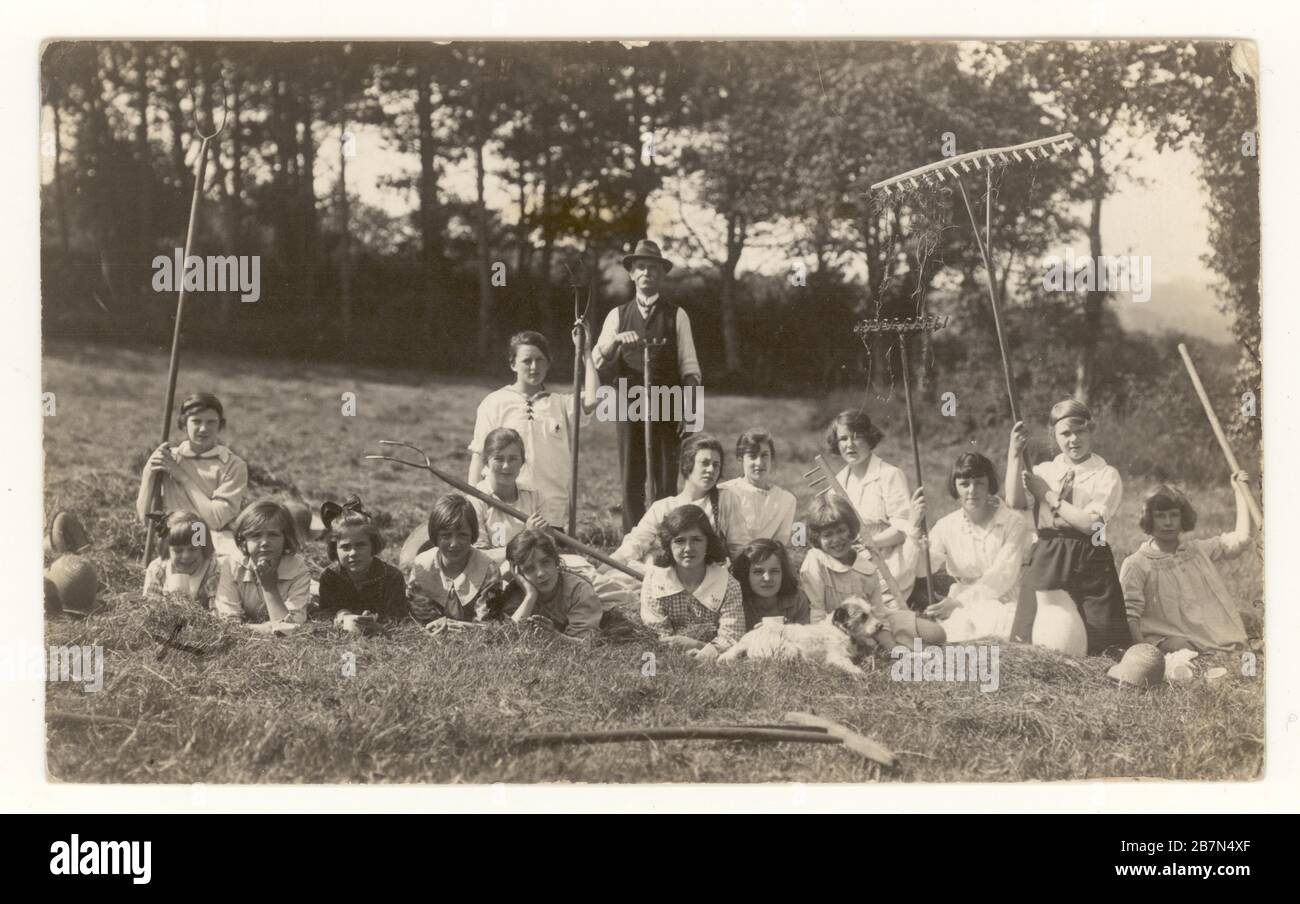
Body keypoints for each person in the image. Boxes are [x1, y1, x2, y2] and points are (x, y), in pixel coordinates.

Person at [592, 239, 703, 531]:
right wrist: (616, 342)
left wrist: (689, 411)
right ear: (631, 273)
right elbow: (597, 361)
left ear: (661, 274)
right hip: (628, 403)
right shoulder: (617, 315)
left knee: (665, 480)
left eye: (652, 268)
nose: (646, 273)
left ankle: (665, 542)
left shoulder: (677, 315)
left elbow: (690, 367)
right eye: (640, 267)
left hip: (668, 404)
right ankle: (632, 545)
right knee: (631, 478)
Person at [1006, 400, 1132, 656]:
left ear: (1091, 431)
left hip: (1090, 557)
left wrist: (1049, 496)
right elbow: (1014, 501)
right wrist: (1015, 454)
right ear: (1054, 436)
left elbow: (1092, 525)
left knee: (1104, 645)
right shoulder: (1044, 470)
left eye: (1080, 431)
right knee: (1029, 640)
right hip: (1048, 554)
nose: (1073, 440)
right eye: (1065, 433)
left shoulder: (1105, 474)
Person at [467, 329, 598, 527]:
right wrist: (473, 506)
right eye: (527, 361)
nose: (534, 367)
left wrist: (586, 351)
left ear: (548, 364)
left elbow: (593, 398)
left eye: (540, 360)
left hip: (550, 511)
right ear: (513, 364)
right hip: (505, 510)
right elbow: (478, 456)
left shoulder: (560, 403)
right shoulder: (494, 402)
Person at [1119, 473, 1254, 653]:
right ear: (1149, 519)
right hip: (1167, 636)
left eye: (1174, 515)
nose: (1168, 523)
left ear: (1183, 518)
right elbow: (1130, 615)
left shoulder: (1197, 551)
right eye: (1160, 516)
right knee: (1180, 647)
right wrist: (1141, 651)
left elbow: (1241, 539)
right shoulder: (1137, 564)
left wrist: (1240, 492)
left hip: (1205, 633)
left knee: (1239, 649)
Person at [799, 493, 944, 650]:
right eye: (828, 535)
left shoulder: (866, 565)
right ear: (817, 538)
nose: (837, 540)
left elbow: (880, 614)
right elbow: (817, 610)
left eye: (841, 531)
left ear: (851, 530)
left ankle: (895, 643)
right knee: (864, 644)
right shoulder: (815, 561)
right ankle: (887, 645)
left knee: (936, 634)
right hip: (835, 628)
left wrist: (891, 646)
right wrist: (824, 643)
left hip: (871, 621)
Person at [913, 452, 1032, 642]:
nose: (972, 491)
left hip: (1003, 599)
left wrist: (959, 602)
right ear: (955, 487)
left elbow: (1002, 576)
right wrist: (918, 542)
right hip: (959, 599)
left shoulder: (1013, 522)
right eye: (964, 484)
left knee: (992, 628)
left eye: (979, 483)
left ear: (989, 486)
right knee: (954, 635)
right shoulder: (946, 526)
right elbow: (923, 570)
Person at [825, 410, 923, 604]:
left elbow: (903, 530)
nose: (850, 445)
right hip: (849, 563)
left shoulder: (889, 475)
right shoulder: (836, 484)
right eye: (843, 439)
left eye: (857, 437)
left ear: (870, 439)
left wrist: (869, 543)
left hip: (889, 566)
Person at [610, 432, 752, 565]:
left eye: (716, 465)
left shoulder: (725, 499)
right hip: (665, 578)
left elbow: (740, 548)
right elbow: (635, 544)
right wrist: (605, 567)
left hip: (710, 579)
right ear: (687, 465)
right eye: (705, 463)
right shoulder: (663, 507)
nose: (711, 470)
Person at [135, 392, 248, 558]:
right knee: (183, 563)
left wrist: (182, 477)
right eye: (196, 421)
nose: (203, 429)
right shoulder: (167, 459)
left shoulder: (232, 464)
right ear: (183, 424)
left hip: (213, 536)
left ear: (220, 425)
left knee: (224, 563)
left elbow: (215, 520)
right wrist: (149, 474)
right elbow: (146, 520)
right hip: (175, 533)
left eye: (211, 422)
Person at [640, 504, 746, 662]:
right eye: (680, 541)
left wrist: (696, 646)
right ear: (669, 545)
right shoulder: (655, 580)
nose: (688, 548)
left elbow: (732, 639)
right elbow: (658, 636)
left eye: (696, 540)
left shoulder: (728, 584)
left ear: (707, 543)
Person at [214, 500, 312, 632]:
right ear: (243, 540)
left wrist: (269, 587)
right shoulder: (232, 565)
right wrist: (265, 628)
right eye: (256, 535)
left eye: (273, 534)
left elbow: (289, 629)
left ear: (286, 538)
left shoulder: (298, 569)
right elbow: (227, 622)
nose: (265, 542)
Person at [405, 494, 502, 624]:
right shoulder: (422, 566)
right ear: (435, 535)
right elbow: (422, 619)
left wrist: (453, 627)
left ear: (472, 535)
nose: (454, 543)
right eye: (446, 535)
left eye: (462, 535)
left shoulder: (488, 569)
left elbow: (487, 623)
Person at [317, 495, 408, 631]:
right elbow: (324, 611)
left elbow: (399, 616)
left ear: (373, 545)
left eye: (360, 545)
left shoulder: (391, 577)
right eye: (346, 547)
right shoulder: (330, 577)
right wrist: (340, 614)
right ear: (334, 549)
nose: (353, 553)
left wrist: (379, 623)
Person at [497, 528, 603, 641]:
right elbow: (508, 638)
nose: (540, 573)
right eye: (529, 568)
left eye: (546, 562)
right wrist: (530, 596)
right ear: (519, 573)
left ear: (555, 560)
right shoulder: (516, 593)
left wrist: (555, 637)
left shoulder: (578, 591)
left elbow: (585, 643)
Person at [468, 427, 548, 559]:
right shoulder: (476, 501)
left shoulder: (534, 496)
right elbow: (479, 558)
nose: (506, 466)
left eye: (513, 459)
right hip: (494, 575)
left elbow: (548, 549)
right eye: (499, 459)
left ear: (522, 462)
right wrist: (527, 539)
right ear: (486, 461)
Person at [718, 429, 797, 544]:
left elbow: (779, 546)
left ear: (772, 459)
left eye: (764, 456)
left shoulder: (786, 500)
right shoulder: (724, 492)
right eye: (752, 456)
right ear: (741, 458)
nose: (759, 463)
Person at [142, 510, 220, 609]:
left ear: (203, 548)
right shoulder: (158, 569)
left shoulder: (212, 570)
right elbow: (150, 609)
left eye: (193, 549)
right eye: (178, 551)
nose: (186, 556)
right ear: (167, 549)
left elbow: (218, 612)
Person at [730, 538, 811, 630]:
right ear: (746, 574)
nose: (767, 578)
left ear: (783, 573)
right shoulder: (736, 601)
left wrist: (787, 631)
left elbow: (805, 639)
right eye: (758, 572)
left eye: (774, 571)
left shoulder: (797, 599)